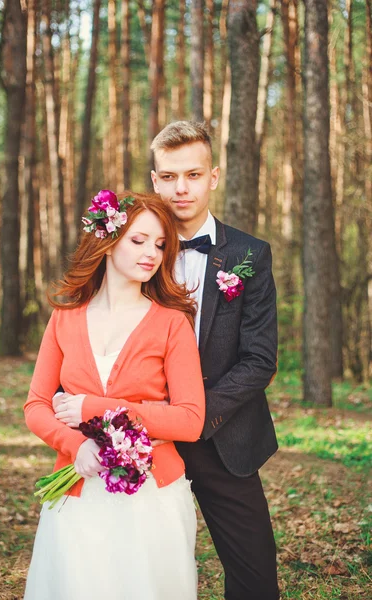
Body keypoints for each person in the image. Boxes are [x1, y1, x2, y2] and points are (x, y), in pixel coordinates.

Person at [23, 191, 205, 600]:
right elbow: (36, 405)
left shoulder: (172, 324)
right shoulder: (64, 318)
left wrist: (97, 408)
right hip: (77, 493)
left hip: (152, 499)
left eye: (160, 245)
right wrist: (75, 444)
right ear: (107, 241)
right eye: (138, 240)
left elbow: (190, 420)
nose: (152, 254)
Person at [150, 121, 280, 600]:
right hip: (145, 438)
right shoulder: (135, 250)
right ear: (154, 179)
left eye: (193, 174)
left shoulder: (250, 254)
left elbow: (260, 358)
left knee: (255, 579)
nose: (181, 188)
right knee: (140, 571)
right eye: (168, 176)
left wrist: (196, 414)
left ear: (214, 177)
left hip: (222, 435)